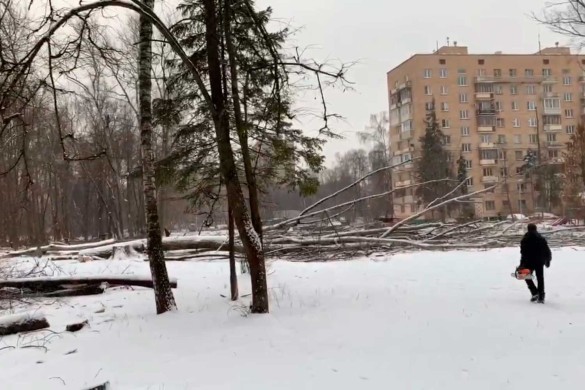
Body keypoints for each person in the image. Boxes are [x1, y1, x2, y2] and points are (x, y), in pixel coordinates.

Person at [518, 223, 552, 303]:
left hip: (529, 261)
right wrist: (548, 260)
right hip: (540, 261)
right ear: (536, 229)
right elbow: (547, 250)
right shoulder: (541, 238)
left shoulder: (525, 239)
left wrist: (521, 264)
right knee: (540, 278)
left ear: (528, 229)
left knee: (524, 275)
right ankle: (541, 296)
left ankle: (534, 292)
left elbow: (523, 253)